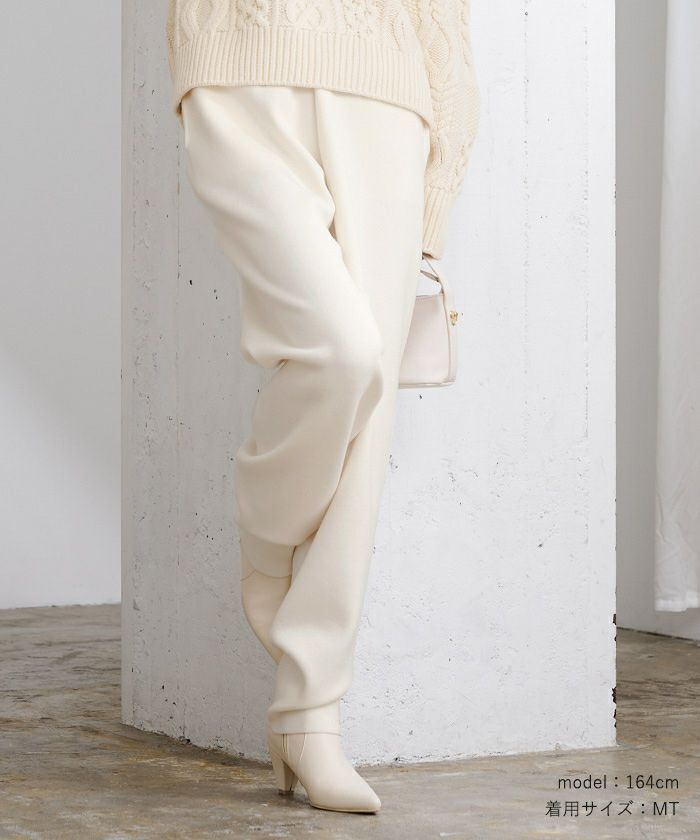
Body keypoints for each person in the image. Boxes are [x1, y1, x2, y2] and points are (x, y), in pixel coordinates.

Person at [165, 0, 480, 815]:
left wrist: (438, 191)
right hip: (235, 66)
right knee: (337, 351)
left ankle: (310, 716)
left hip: (388, 90)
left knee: (366, 407)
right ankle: (267, 542)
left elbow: (444, 19)